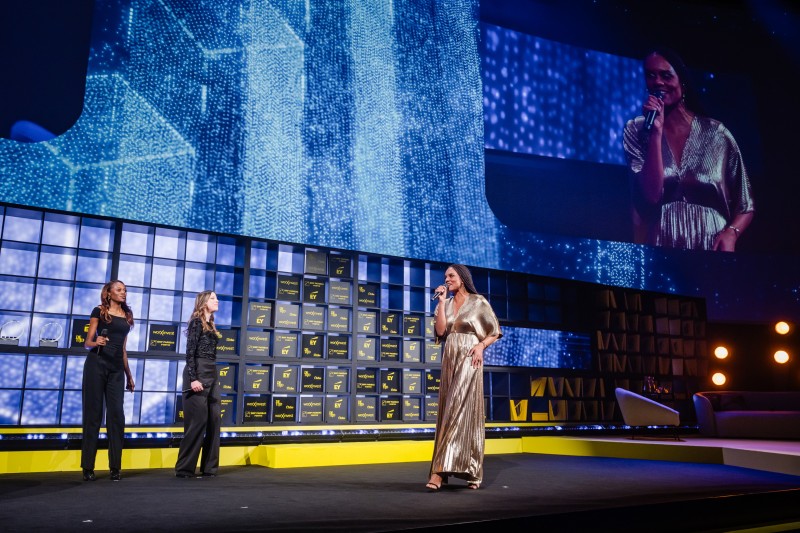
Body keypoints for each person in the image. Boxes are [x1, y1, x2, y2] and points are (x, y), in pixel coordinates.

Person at [623, 46, 754, 251]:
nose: (658, 82)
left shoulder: (717, 134)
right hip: (662, 243)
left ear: (682, 80)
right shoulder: (637, 130)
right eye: (651, 75)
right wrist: (656, 133)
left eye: (666, 75)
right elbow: (651, 196)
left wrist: (732, 232)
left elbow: (745, 204)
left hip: (711, 246)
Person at [426, 264, 502, 491]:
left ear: (462, 278)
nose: (447, 279)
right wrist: (441, 303)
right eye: (445, 276)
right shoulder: (446, 303)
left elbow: (494, 332)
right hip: (450, 357)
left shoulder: (478, 302)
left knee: (459, 408)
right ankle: (471, 471)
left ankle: (438, 473)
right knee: (451, 410)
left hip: (470, 356)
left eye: (451, 275)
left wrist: (480, 346)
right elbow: (441, 332)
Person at [81, 280, 135, 482]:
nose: (123, 293)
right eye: (119, 290)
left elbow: (123, 349)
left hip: (116, 369)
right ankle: (88, 467)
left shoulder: (127, 315)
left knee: (116, 416)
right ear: (109, 293)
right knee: (93, 415)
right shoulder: (99, 311)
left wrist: (129, 375)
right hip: (96, 364)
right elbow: (87, 343)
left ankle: (115, 467)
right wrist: (96, 341)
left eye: (125, 290)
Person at [175, 290, 221, 478]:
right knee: (197, 422)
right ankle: (184, 468)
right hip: (198, 372)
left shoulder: (211, 324)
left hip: (212, 372)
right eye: (213, 298)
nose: (217, 301)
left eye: (216, 298)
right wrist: (193, 378)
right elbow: (190, 353)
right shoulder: (196, 322)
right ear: (203, 302)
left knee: (214, 420)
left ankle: (209, 467)